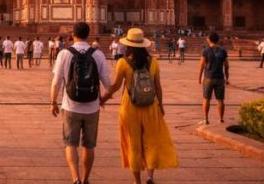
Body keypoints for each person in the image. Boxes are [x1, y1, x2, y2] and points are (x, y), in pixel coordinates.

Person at [101, 28, 178, 184]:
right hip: (151, 106)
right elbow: (158, 87)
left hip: (130, 108)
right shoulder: (154, 62)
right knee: (151, 140)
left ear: (128, 45)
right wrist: (161, 105)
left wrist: (103, 98)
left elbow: (115, 86)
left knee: (133, 143)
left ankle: (137, 181)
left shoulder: (123, 62)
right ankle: (150, 176)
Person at [51, 22, 112, 184]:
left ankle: (75, 178)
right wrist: (103, 99)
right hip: (92, 107)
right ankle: (85, 179)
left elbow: (56, 82)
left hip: (70, 105)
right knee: (89, 146)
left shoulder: (64, 53)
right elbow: (108, 84)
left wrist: (53, 102)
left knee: (70, 144)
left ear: (73, 35)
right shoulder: (98, 54)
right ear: (88, 34)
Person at [197, 32, 229, 125]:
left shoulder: (206, 51)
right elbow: (227, 66)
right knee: (220, 100)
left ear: (209, 40)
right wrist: (227, 78)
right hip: (220, 78)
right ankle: (221, 119)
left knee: (206, 99)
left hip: (208, 77)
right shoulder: (223, 51)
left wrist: (199, 78)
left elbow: (202, 66)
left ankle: (206, 119)